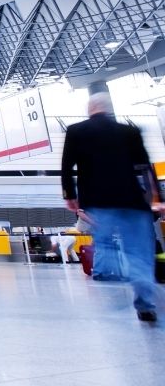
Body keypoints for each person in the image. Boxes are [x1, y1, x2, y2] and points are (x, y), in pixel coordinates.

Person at [61, 92, 158, 323]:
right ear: (109, 109)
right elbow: (145, 167)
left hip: (98, 201)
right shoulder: (129, 131)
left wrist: (70, 195)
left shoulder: (76, 131)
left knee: (105, 244)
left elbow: (66, 166)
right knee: (139, 252)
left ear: (90, 109)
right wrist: (157, 198)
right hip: (132, 200)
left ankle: (116, 275)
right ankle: (144, 300)